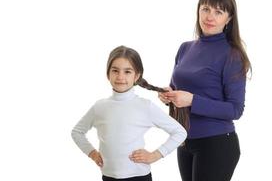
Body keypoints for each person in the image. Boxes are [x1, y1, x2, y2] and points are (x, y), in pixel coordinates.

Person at [158, 0, 251, 181]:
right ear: (198, 9)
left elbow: (235, 110)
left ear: (229, 19)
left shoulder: (232, 55)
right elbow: (177, 90)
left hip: (216, 143)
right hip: (184, 140)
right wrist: (168, 95)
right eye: (206, 9)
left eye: (219, 12)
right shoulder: (185, 48)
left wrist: (192, 100)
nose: (210, 17)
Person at [71, 46, 187, 181]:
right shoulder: (100, 107)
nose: (120, 77)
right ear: (108, 74)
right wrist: (92, 154)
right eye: (115, 70)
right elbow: (77, 132)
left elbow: (180, 132)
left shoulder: (145, 106)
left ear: (136, 76)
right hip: (109, 176)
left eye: (127, 72)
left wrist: (155, 155)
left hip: (139, 176)